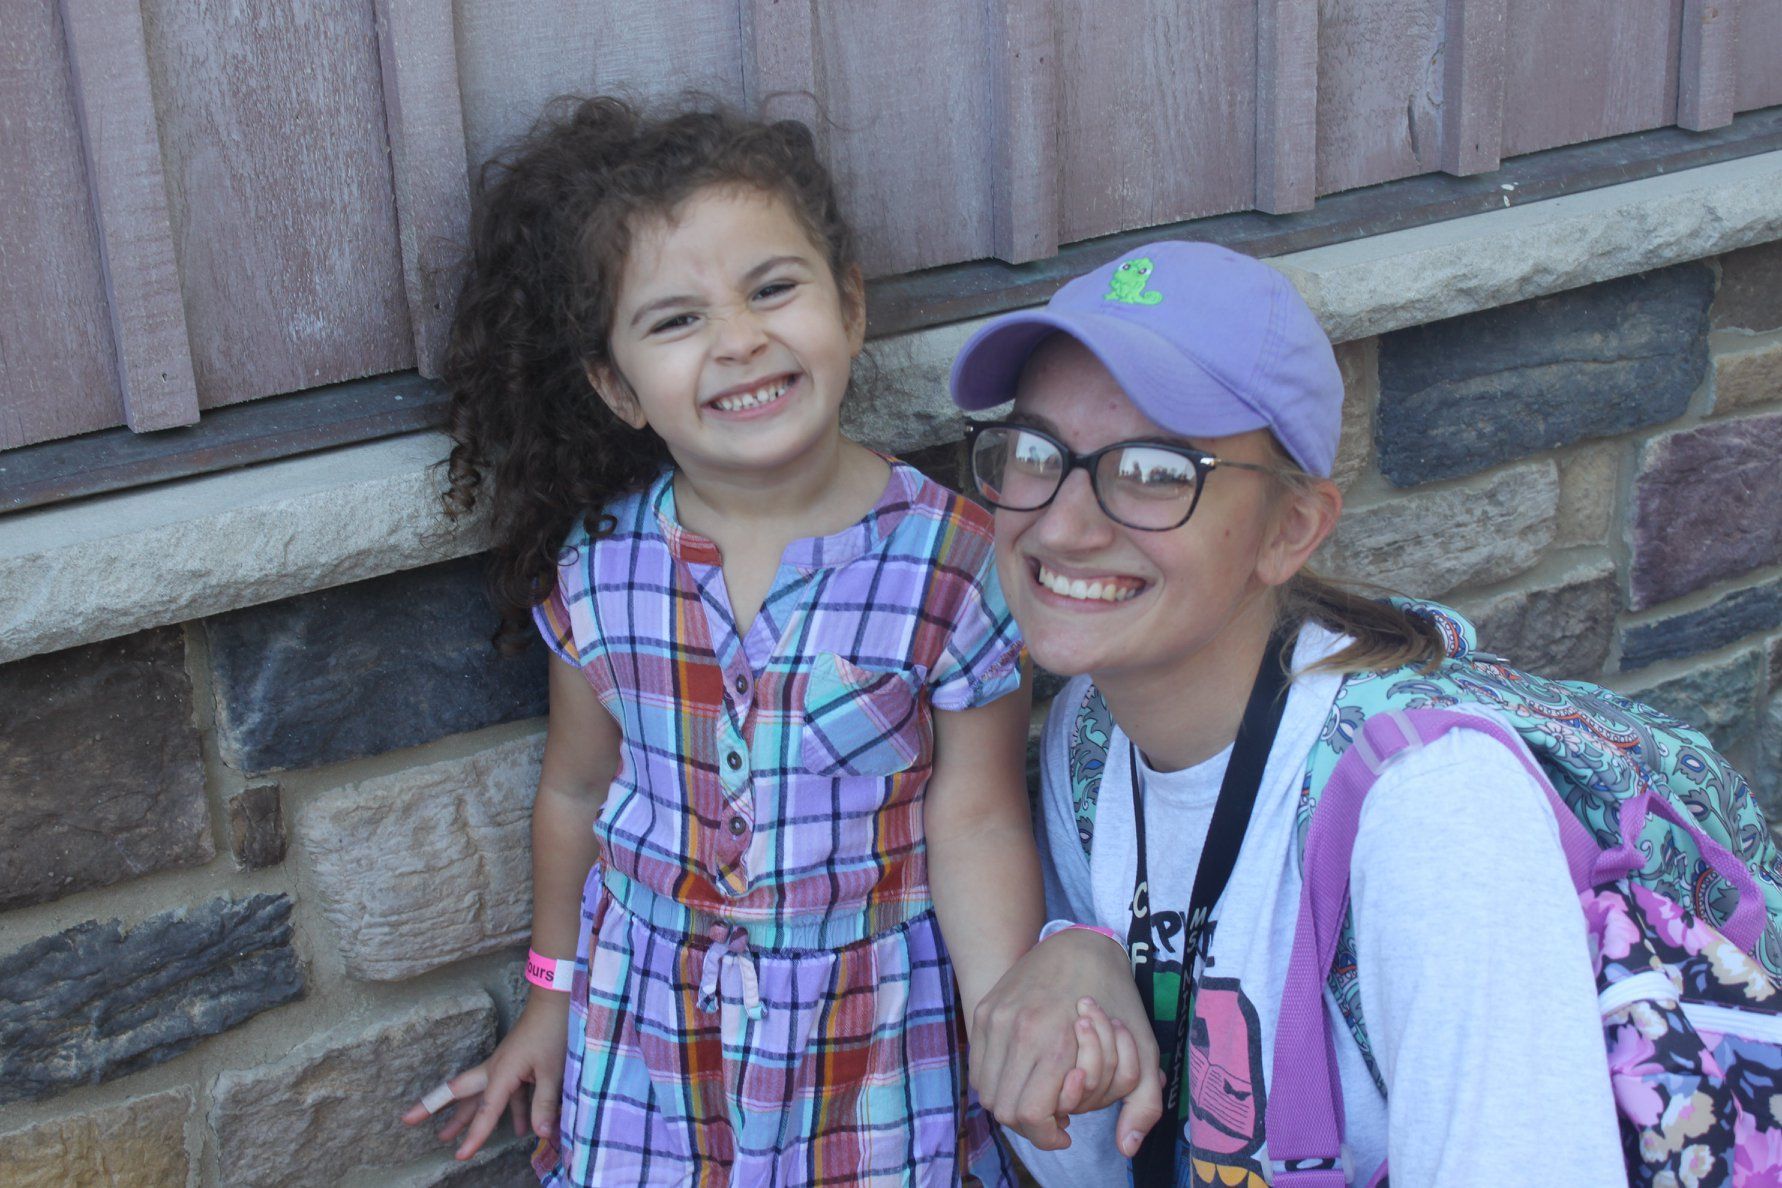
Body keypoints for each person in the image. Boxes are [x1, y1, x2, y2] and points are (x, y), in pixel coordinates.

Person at [398, 96, 1074, 1186]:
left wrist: (1005, 1019)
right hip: (654, 1031)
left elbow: (981, 814)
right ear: (616, 387)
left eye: (773, 289)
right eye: (676, 320)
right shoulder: (602, 571)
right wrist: (549, 1000)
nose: (740, 339)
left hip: (873, 1033)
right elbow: (575, 795)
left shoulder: (953, 560)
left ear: (849, 308)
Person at [954, 242, 1628, 1185]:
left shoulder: (1433, 818)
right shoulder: (1090, 736)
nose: (1061, 525)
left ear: (1289, 531)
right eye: (1035, 454)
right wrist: (1082, 946)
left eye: (1154, 470)